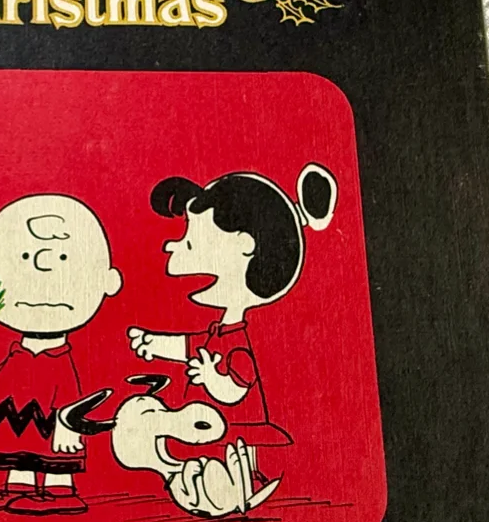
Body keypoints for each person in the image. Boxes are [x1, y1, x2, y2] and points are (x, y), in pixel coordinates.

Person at [127, 165, 338, 475]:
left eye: (191, 243)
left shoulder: (237, 341)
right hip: (209, 427)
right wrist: (154, 343)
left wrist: (210, 377)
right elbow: (191, 346)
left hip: (236, 425)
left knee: (234, 460)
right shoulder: (221, 330)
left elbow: (237, 388)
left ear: (244, 245)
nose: (172, 246)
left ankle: (242, 481)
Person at [0, 194, 122, 515]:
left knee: (50, 452)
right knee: (17, 448)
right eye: (24, 256)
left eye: (63, 258)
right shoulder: (16, 357)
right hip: (13, 422)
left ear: (108, 282)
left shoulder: (58, 361)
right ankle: (18, 486)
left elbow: (70, 401)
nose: (42, 266)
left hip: (51, 427)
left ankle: (61, 491)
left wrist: (67, 427)